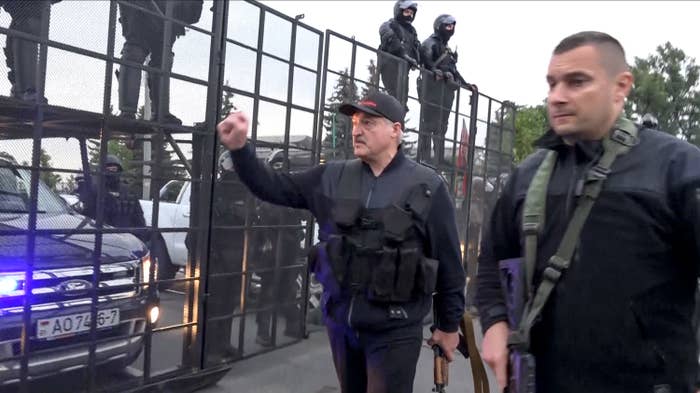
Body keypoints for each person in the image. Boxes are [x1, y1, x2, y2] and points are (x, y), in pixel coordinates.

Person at [475, 31, 700, 392]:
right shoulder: (528, 176)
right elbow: (492, 262)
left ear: (621, 86)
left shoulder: (678, 167)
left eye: (577, 82)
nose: (557, 96)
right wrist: (495, 324)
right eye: (552, 83)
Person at [217, 91, 465, 393]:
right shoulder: (332, 176)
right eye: (355, 122)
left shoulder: (427, 186)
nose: (357, 130)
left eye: (369, 123)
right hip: (342, 325)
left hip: (395, 330)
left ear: (396, 131)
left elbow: (451, 266)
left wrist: (449, 326)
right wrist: (241, 150)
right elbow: (274, 186)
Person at [116, 0, 203, 124]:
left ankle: (160, 113)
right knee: (136, 50)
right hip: (142, 9)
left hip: (169, 11)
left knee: (162, 57)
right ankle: (128, 112)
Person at [251, 150, 306, 347]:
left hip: (289, 245)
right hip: (272, 246)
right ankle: (263, 332)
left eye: (283, 166)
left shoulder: (290, 190)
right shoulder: (265, 190)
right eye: (277, 165)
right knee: (269, 290)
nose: (280, 169)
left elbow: (302, 213)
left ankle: (293, 325)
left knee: (288, 288)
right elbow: (266, 215)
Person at [204, 150, 250, 363]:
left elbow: (251, 220)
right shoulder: (216, 190)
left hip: (236, 254)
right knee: (217, 302)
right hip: (220, 255)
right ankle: (212, 348)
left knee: (229, 302)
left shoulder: (244, 190)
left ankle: (223, 344)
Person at [417, 14, 459, 164]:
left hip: (446, 93)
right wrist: (436, 71)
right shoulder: (430, 43)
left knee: (442, 126)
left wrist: (466, 84)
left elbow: (454, 70)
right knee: (428, 125)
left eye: (452, 26)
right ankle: (425, 158)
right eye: (448, 26)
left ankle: (438, 159)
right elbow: (425, 62)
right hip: (431, 89)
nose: (451, 29)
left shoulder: (448, 49)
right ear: (439, 26)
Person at [1, 0, 60, 102]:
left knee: (24, 41)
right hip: (23, 17)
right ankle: (19, 87)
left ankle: (29, 89)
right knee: (11, 44)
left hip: (31, 16)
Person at [78, 154, 146, 232]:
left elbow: (138, 217)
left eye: (114, 169)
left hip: (127, 235)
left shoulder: (127, 190)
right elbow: (87, 215)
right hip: (103, 234)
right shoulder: (96, 190)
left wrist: (141, 234)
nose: (111, 171)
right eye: (109, 168)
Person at [377, 1, 420, 108]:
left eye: (411, 13)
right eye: (406, 12)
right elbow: (390, 39)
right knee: (393, 98)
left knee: (402, 102)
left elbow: (417, 48)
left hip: (404, 70)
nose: (409, 15)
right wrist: (404, 55)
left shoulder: (412, 31)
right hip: (390, 66)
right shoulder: (389, 25)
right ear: (399, 11)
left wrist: (417, 60)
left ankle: (397, 121)